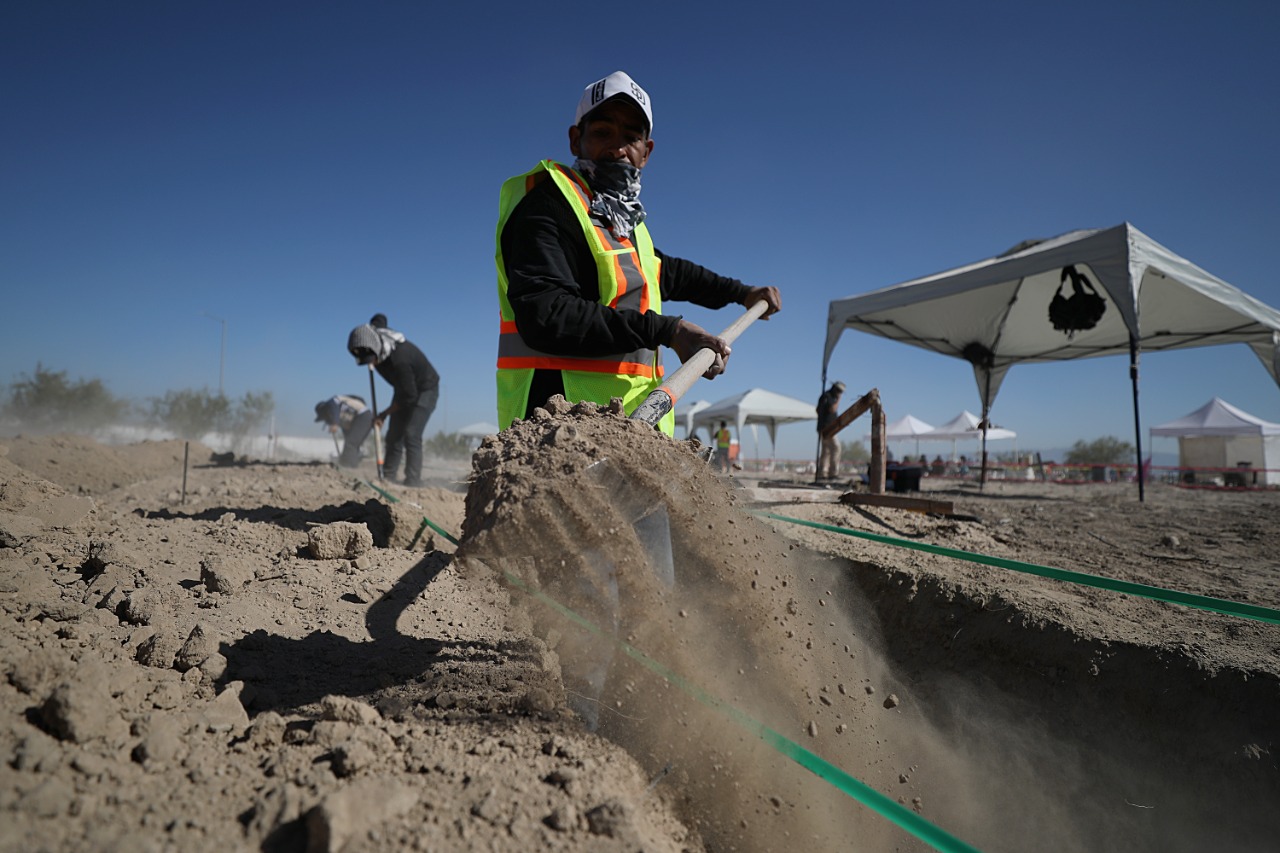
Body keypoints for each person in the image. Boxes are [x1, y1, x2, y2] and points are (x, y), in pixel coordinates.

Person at [495, 71, 781, 434]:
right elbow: (547, 315)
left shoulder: (624, 225)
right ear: (574, 139)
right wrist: (669, 330)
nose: (617, 149)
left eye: (631, 137)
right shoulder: (548, 205)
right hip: (561, 424)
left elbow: (671, 273)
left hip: (633, 426)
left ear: (646, 152)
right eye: (602, 133)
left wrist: (741, 293)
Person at [347, 317, 440, 488]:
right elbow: (380, 318)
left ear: (376, 350)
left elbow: (409, 397)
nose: (372, 364)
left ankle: (413, 482)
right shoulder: (376, 341)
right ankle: (388, 477)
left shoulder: (400, 360)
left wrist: (383, 414)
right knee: (394, 434)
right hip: (403, 389)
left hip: (425, 390)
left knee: (411, 433)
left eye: (371, 360)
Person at [313, 393, 374, 468]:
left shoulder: (332, 403)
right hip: (362, 418)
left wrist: (334, 423)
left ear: (325, 411)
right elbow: (347, 432)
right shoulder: (341, 415)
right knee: (352, 444)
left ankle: (348, 467)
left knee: (350, 443)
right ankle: (350, 464)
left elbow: (333, 404)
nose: (326, 420)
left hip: (363, 416)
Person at [816, 381, 845, 481]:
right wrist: (838, 400)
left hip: (823, 427)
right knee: (836, 447)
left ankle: (822, 473)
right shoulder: (830, 397)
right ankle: (833, 473)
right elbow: (833, 409)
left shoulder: (824, 396)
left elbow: (817, 410)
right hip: (828, 428)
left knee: (826, 451)